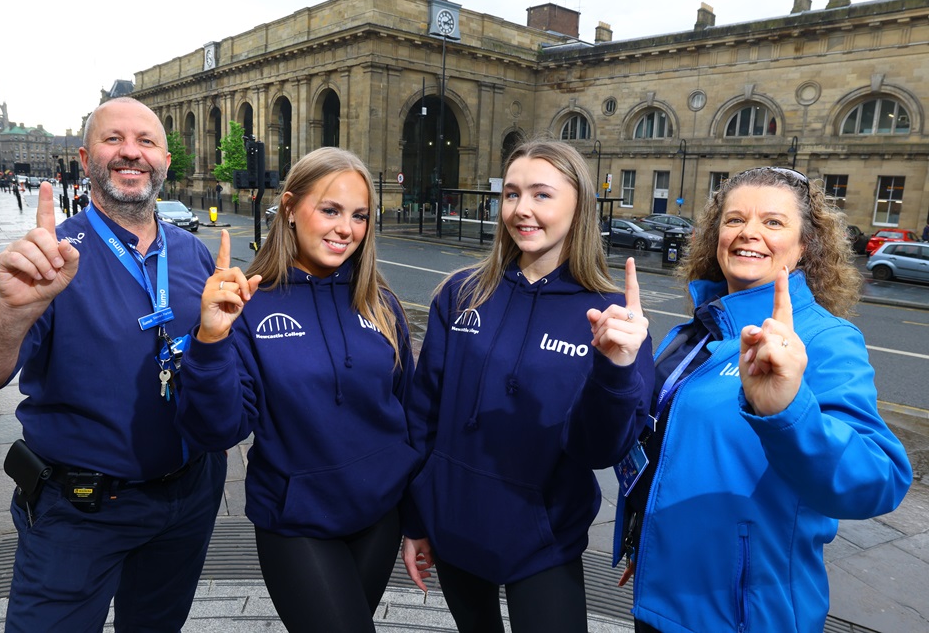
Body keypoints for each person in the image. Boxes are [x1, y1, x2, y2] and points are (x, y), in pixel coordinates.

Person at [0, 97, 226, 632]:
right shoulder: (52, 255)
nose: (131, 153)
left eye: (146, 141)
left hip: (189, 496)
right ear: (85, 155)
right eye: (113, 139)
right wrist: (11, 311)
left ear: (165, 159)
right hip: (81, 512)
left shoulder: (193, 253)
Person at [617, 166, 912, 633]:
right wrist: (648, 542)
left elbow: (879, 480)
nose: (748, 233)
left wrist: (787, 409)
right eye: (734, 220)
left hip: (745, 614)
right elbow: (665, 453)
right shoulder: (693, 332)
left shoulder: (824, 340)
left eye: (773, 222)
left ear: (803, 248)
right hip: (659, 596)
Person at [402, 139, 654, 633]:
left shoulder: (613, 316)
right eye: (512, 194)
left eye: (542, 195)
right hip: (454, 526)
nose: (522, 210)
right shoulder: (461, 293)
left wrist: (616, 369)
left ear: (577, 205)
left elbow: (602, 449)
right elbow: (422, 415)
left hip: (545, 541)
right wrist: (415, 519)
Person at [176, 147, 418, 633]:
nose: (345, 228)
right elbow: (217, 429)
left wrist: (417, 520)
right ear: (288, 208)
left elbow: (409, 412)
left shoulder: (381, 301)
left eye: (359, 216)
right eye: (329, 210)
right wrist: (211, 340)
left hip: (380, 517)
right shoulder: (248, 303)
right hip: (297, 521)